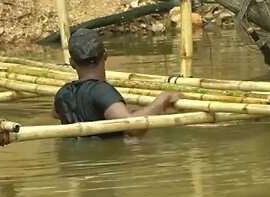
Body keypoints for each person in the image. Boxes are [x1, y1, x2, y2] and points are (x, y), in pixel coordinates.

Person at [52, 28, 182, 139]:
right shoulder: (101, 91)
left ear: (72, 63)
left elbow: (56, 113)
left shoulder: (62, 93)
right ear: (105, 55)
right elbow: (133, 127)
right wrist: (161, 101)